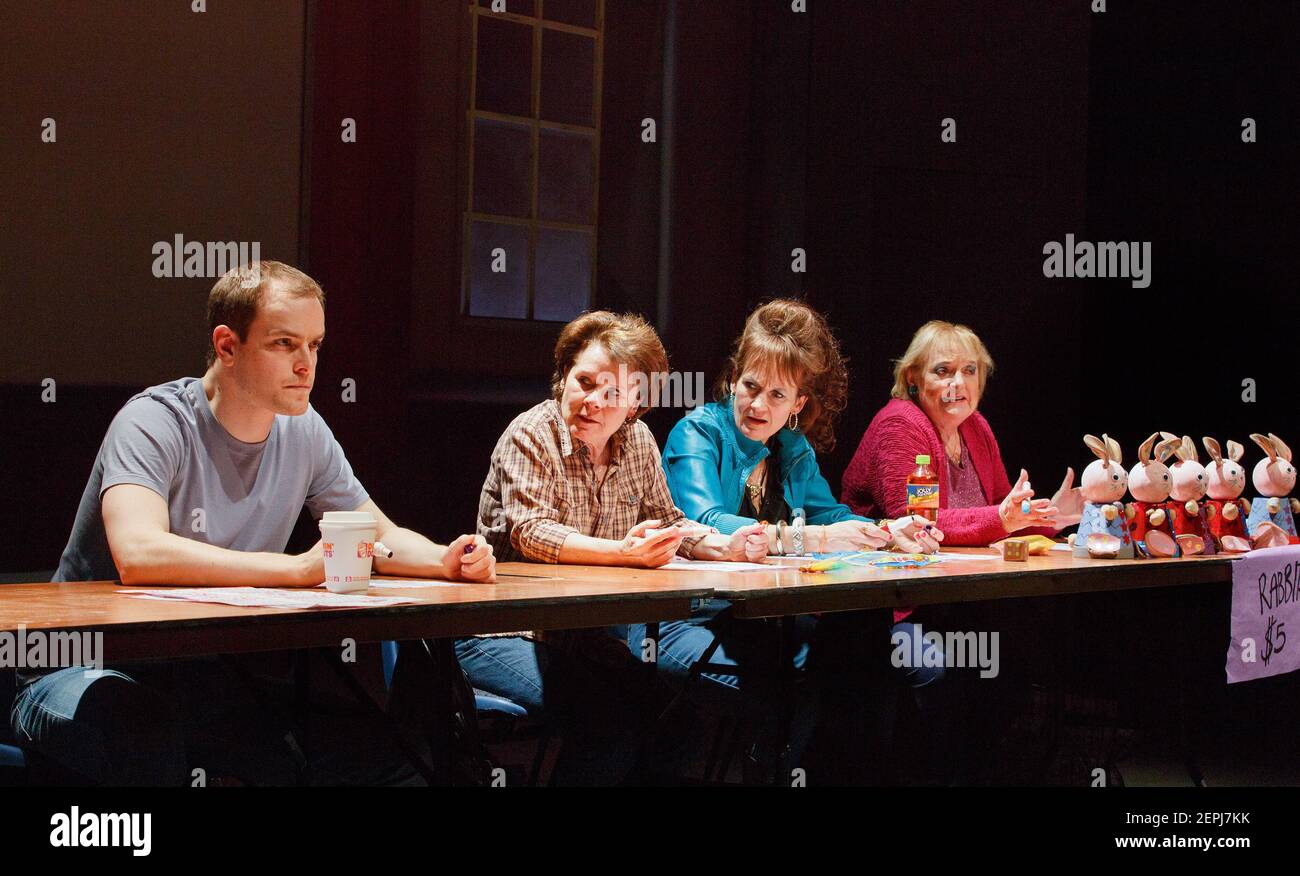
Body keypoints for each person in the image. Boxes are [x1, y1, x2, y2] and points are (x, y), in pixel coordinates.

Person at [12, 261, 494, 785]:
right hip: (79, 664)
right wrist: (294, 570)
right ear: (227, 346)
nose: (306, 364)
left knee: (346, 750)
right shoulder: (153, 421)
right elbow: (139, 554)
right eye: (284, 344)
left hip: (197, 671)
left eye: (315, 345)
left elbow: (377, 532)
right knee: (141, 732)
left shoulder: (304, 428)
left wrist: (445, 559)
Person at [471, 310, 766, 784]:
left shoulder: (638, 441)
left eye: (611, 393)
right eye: (583, 381)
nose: (591, 401)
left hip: (584, 636)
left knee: (677, 722)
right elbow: (532, 532)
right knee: (607, 723)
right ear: (563, 377)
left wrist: (719, 546)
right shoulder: (531, 434)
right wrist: (623, 553)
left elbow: (670, 523)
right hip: (505, 631)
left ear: (636, 402)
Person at [658, 299, 943, 779]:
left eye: (776, 395)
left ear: (798, 405)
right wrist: (815, 537)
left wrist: (889, 531)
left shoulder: (792, 447)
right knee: (811, 680)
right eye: (749, 386)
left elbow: (831, 514)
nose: (757, 405)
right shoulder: (697, 434)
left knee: (868, 649)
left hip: (767, 620)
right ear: (732, 379)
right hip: (693, 617)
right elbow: (706, 519)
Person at [842, 319, 1082, 543]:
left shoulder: (975, 425)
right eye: (943, 371)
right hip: (890, 569)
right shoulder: (898, 425)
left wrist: (1052, 517)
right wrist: (1003, 517)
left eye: (969, 370)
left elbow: (1003, 508)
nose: (958, 382)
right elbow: (916, 521)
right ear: (912, 377)